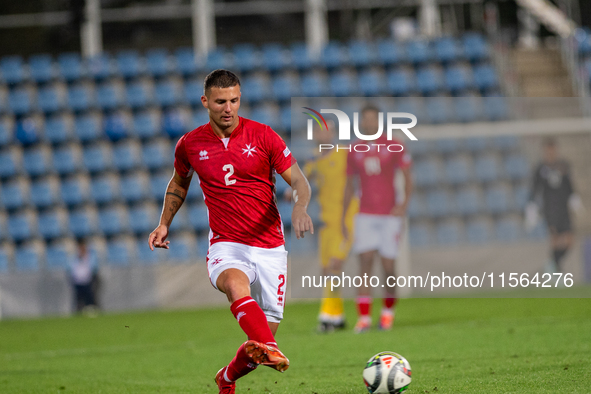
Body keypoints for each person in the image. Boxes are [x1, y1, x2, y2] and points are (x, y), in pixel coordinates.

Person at [148, 69, 314, 394]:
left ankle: (226, 377)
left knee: (258, 345)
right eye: (220, 101)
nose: (228, 108)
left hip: (270, 246)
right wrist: (164, 222)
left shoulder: (264, 136)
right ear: (205, 101)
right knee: (237, 287)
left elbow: (299, 180)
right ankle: (269, 345)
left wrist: (300, 206)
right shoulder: (190, 144)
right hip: (227, 244)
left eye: (234, 100)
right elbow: (179, 182)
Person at [341, 105, 413, 333]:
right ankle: (364, 318)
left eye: (373, 119)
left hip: (389, 215)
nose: (369, 123)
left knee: (388, 266)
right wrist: (344, 215)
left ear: (379, 122)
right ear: (361, 123)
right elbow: (349, 184)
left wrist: (403, 205)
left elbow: (408, 176)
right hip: (365, 214)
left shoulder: (394, 145)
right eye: (366, 119)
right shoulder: (354, 149)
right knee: (364, 264)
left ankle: (387, 313)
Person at [301, 120, 358, 332]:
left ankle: (326, 318)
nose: (323, 134)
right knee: (327, 271)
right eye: (318, 130)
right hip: (326, 224)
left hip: (346, 220)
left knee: (335, 266)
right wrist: (293, 191)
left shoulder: (345, 153)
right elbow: (302, 179)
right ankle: (338, 317)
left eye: (327, 130)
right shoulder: (313, 159)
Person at [526, 138, 584, 273]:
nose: (550, 153)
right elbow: (535, 190)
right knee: (555, 240)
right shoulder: (540, 169)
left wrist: (575, 201)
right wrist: (532, 210)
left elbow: (569, 186)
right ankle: (556, 270)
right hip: (550, 209)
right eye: (548, 151)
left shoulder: (564, 166)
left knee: (569, 241)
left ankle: (552, 264)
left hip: (564, 209)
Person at [68, 238, 100, 314]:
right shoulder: (74, 257)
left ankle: (93, 311)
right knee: (78, 299)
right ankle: (79, 312)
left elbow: (94, 267)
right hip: (78, 281)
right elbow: (70, 268)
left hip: (88, 280)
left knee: (90, 298)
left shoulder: (90, 256)